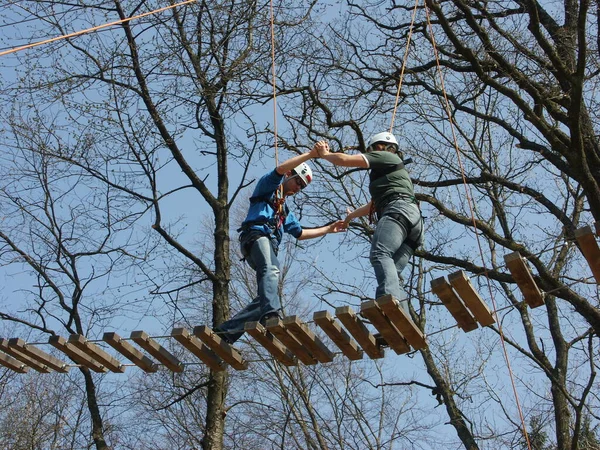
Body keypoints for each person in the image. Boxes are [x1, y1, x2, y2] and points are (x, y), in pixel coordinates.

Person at [216, 141, 346, 344]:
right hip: (256, 237)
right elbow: (280, 169)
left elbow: (300, 233)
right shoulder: (268, 187)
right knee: (272, 273)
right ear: (289, 175)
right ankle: (272, 317)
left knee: (266, 297)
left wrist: (328, 229)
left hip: (267, 246)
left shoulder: (284, 211)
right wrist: (311, 154)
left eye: (302, 187)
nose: (298, 189)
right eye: (298, 182)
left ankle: (226, 333)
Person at [317, 132, 424, 312]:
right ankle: (402, 320)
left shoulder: (386, 156)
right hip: (414, 223)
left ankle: (387, 303)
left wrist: (325, 155)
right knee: (393, 275)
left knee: (380, 254)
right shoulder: (393, 171)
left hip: (398, 211)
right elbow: (372, 205)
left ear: (379, 147)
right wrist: (350, 217)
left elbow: (344, 160)